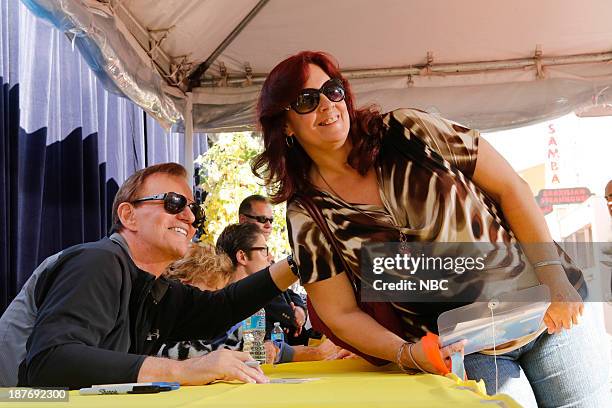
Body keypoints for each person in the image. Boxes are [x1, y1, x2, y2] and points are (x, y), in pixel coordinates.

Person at [251, 51, 609, 407]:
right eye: (306, 101)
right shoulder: (307, 213)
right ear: (284, 124)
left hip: (551, 310)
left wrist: (555, 278)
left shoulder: (407, 130)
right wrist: (406, 353)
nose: (328, 105)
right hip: (465, 349)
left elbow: (510, 187)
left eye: (333, 90)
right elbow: (340, 313)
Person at [0, 163, 300, 388]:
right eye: (174, 203)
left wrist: (301, 261)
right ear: (128, 215)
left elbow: (222, 307)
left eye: (195, 209)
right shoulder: (97, 261)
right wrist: (184, 370)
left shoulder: (153, 287)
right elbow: (50, 363)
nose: (190, 217)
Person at [157, 231, 350, 363]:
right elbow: (185, 353)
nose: (216, 304)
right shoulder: (158, 323)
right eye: (211, 294)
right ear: (185, 287)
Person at [238, 195, 308, 344]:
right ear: (243, 220)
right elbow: (258, 292)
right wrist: (291, 316)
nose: (268, 225)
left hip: (283, 340)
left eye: (271, 220)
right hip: (259, 345)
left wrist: (300, 310)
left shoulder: (266, 254)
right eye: (262, 219)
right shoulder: (236, 251)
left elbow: (287, 291)